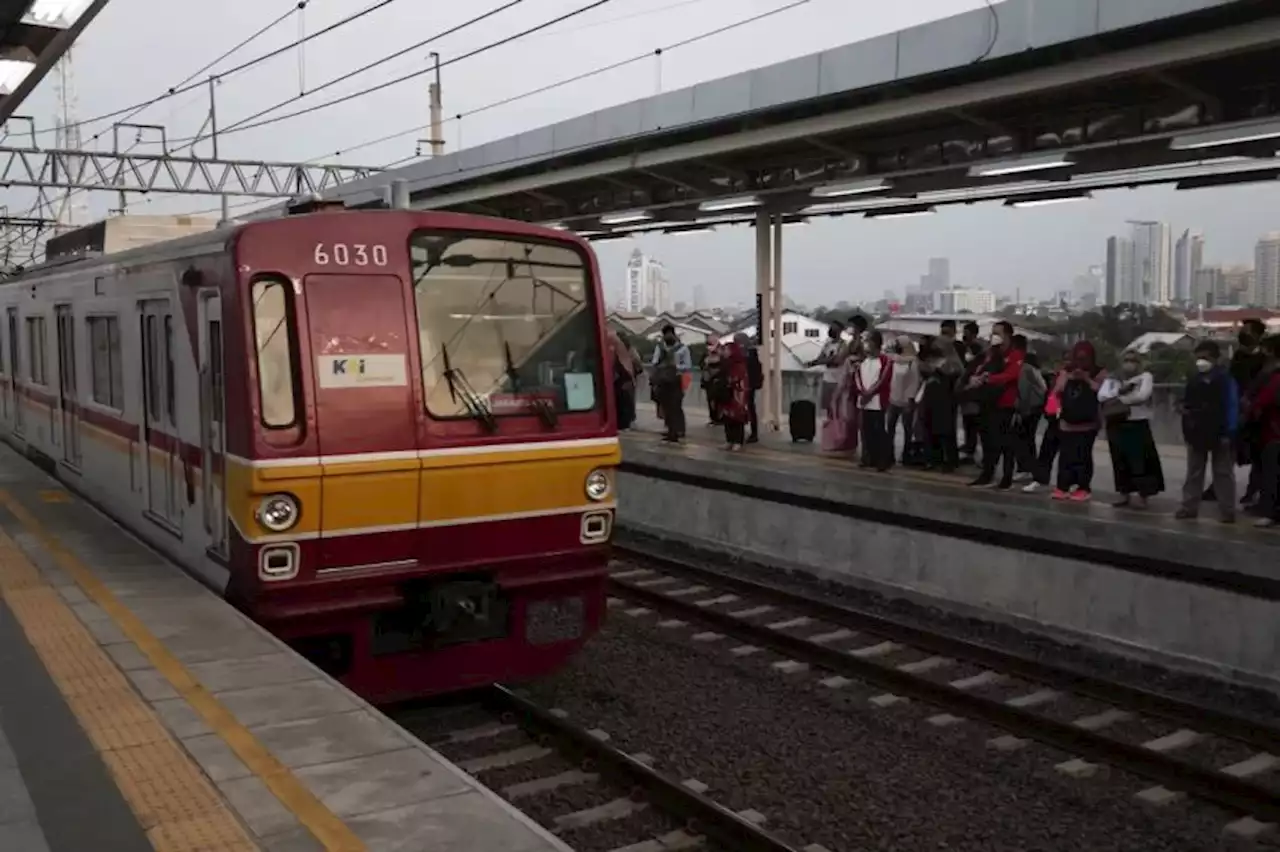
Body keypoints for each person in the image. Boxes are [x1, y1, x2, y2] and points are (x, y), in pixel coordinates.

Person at [1176, 340, 1238, 523]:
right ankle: (1189, 507)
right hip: (1196, 432)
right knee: (1194, 471)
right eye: (1199, 357)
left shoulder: (1225, 380)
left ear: (1215, 358)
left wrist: (1229, 433)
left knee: (1223, 473)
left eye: (1206, 357)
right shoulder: (1194, 379)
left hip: (1220, 433)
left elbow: (1232, 407)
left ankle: (1227, 510)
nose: (1201, 361)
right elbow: (1186, 403)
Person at [1104, 351, 1164, 509]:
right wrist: (1119, 393)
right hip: (1117, 422)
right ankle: (1124, 493)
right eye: (1126, 360)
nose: (1129, 364)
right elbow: (1102, 396)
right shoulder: (1113, 377)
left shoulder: (1145, 377)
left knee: (1141, 461)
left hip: (1138, 423)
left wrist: (1118, 398)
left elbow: (1142, 396)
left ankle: (1143, 496)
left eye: (1133, 360)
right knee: (1120, 460)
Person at [968, 321, 1022, 490]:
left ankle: (1006, 477)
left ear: (1008, 335)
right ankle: (987, 474)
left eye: (998, 333)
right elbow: (979, 369)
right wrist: (975, 378)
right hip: (988, 402)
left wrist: (989, 379)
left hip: (1006, 403)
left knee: (1006, 442)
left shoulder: (1016, 354)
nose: (994, 336)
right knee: (988, 441)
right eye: (993, 332)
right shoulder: (991, 353)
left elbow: (1011, 375)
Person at [1051, 340, 1106, 502]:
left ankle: (1083, 487)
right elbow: (1056, 391)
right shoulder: (1066, 372)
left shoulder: (1099, 372)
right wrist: (1069, 378)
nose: (1080, 362)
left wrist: (1087, 380)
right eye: (1078, 358)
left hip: (1088, 423)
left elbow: (1103, 392)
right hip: (1067, 421)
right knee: (1065, 456)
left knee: (1083, 455)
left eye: (1084, 359)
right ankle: (1063, 486)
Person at [1247, 336, 1280, 528]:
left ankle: (1269, 513)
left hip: (1273, 434)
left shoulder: (1274, 377)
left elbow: (1262, 402)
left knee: (1271, 475)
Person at [854, 330, 893, 471]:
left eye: (867, 340)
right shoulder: (862, 361)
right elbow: (857, 378)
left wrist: (870, 393)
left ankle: (882, 460)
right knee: (866, 430)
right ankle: (868, 457)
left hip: (877, 401)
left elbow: (883, 380)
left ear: (875, 342)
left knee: (879, 431)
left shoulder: (885, 360)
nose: (865, 344)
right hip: (864, 401)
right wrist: (862, 393)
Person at [1011, 335, 1046, 482]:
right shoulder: (1031, 362)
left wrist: (1020, 411)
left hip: (1029, 407)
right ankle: (1030, 468)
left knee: (1021, 438)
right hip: (1036, 406)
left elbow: (1023, 390)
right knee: (1028, 438)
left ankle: (1025, 468)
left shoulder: (1023, 366)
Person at [649, 325, 692, 443]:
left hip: (677, 379)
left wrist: (676, 366)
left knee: (676, 405)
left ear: (673, 334)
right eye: (665, 335)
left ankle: (679, 430)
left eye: (669, 334)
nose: (667, 337)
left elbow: (688, 366)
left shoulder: (683, 349)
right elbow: (654, 362)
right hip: (662, 380)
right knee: (666, 406)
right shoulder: (659, 348)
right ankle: (670, 430)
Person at [887, 337, 922, 464]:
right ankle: (889, 453)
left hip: (906, 400)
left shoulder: (912, 362)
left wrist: (910, 399)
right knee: (890, 427)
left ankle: (906, 454)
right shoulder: (893, 360)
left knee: (907, 429)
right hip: (893, 398)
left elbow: (914, 381)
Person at [807, 321, 849, 412]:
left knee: (837, 407)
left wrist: (824, 360)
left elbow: (837, 361)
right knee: (828, 407)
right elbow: (820, 358)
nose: (831, 330)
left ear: (839, 331)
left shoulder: (843, 345)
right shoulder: (828, 344)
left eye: (834, 328)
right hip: (827, 379)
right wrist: (828, 359)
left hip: (838, 380)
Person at [719, 336, 752, 451]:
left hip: (737, 396)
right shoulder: (725, 363)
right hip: (727, 394)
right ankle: (729, 440)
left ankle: (738, 441)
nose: (725, 352)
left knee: (737, 419)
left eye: (727, 350)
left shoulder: (739, 364)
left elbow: (742, 380)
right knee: (727, 418)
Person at [607, 328, 640, 430]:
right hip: (619, 381)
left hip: (626, 380)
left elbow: (638, 365)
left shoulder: (630, 351)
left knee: (626, 402)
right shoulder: (615, 350)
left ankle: (626, 422)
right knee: (621, 402)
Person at [700, 336, 725, 426]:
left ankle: (720, 418)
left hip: (718, 380)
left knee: (719, 400)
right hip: (708, 380)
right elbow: (701, 364)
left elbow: (724, 365)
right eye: (708, 343)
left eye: (710, 343)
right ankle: (713, 418)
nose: (709, 345)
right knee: (710, 400)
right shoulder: (706, 353)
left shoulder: (722, 352)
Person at [745, 336, 763, 443]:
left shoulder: (748, 354)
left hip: (747, 385)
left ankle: (753, 433)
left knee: (749, 408)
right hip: (751, 385)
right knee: (751, 408)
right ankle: (753, 433)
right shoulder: (753, 354)